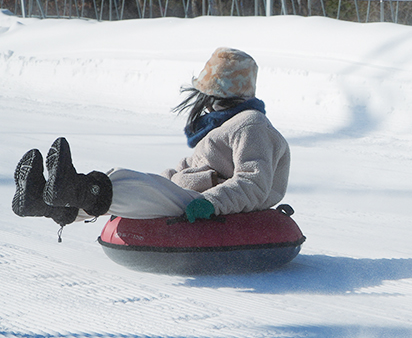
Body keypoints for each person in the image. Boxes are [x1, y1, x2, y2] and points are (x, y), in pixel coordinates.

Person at [12, 47, 291, 237]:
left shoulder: (250, 124)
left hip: (204, 203)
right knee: (122, 179)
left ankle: (70, 189)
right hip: (192, 195)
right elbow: (188, 169)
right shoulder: (225, 127)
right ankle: (48, 203)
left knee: (126, 182)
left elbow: (254, 183)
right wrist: (160, 181)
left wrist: (212, 203)